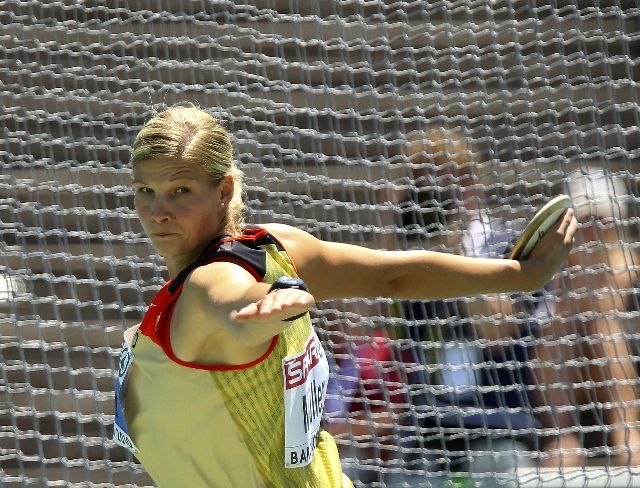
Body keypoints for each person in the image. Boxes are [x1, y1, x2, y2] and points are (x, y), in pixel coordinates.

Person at [111, 105, 577, 488]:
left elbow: (232, 304)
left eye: (180, 191)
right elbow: (396, 277)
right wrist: (520, 274)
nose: (159, 211)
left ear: (224, 190)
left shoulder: (210, 283)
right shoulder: (280, 246)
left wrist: (258, 312)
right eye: (145, 191)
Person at [382, 127, 549, 486]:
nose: (434, 197)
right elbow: (369, 324)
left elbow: (499, 332)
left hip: (497, 425)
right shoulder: (409, 257)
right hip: (426, 429)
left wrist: (456, 252)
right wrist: (393, 229)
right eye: (421, 184)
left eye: (442, 182)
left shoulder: (508, 246)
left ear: (471, 186)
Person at [531, 165, 640, 467]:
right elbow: (559, 316)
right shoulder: (552, 261)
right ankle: (561, 434)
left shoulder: (626, 259)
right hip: (565, 364)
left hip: (614, 363)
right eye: (587, 219)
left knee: (600, 325)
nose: (593, 229)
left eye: (601, 219)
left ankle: (626, 432)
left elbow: (607, 304)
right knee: (562, 331)